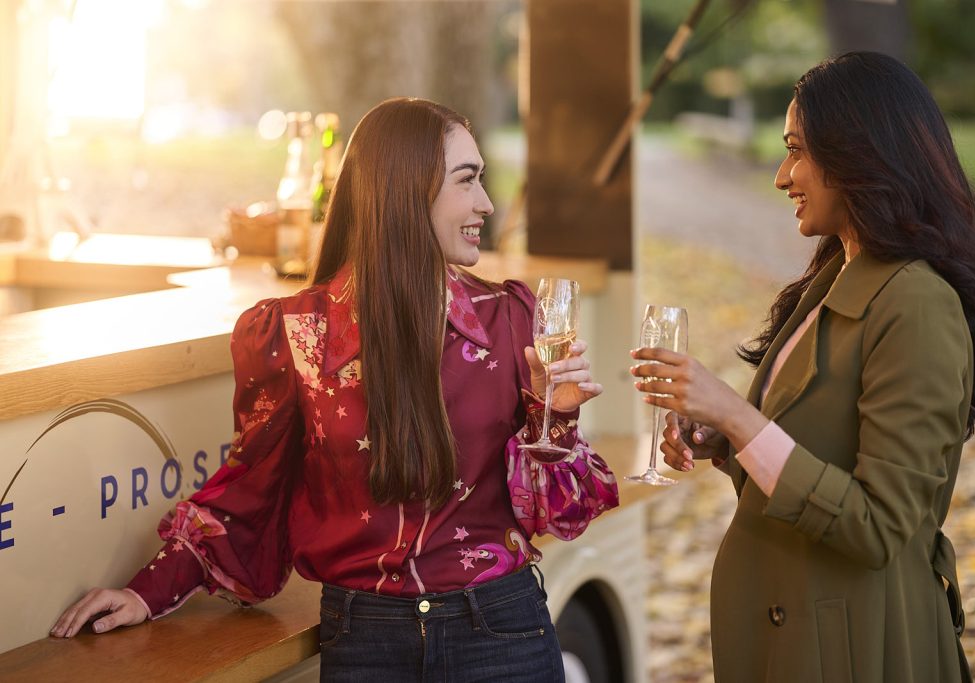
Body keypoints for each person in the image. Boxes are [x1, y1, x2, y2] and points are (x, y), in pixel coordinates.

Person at [51, 98, 619, 681]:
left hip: (502, 631)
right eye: (467, 180)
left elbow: (561, 511)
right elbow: (249, 489)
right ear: (406, 190)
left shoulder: (512, 319)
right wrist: (147, 593)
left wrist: (559, 421)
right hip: (365, 640)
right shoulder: (292, 335)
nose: (486, 204)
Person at [632, 52, 975, 682]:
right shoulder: (837, 276)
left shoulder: (916, 301)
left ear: (862, 155)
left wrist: (736, 415)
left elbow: (880, 526)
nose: (782, 176)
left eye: (799, 151)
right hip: (803, 637)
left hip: (860, 648)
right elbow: (814, 443)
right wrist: (723, 439)